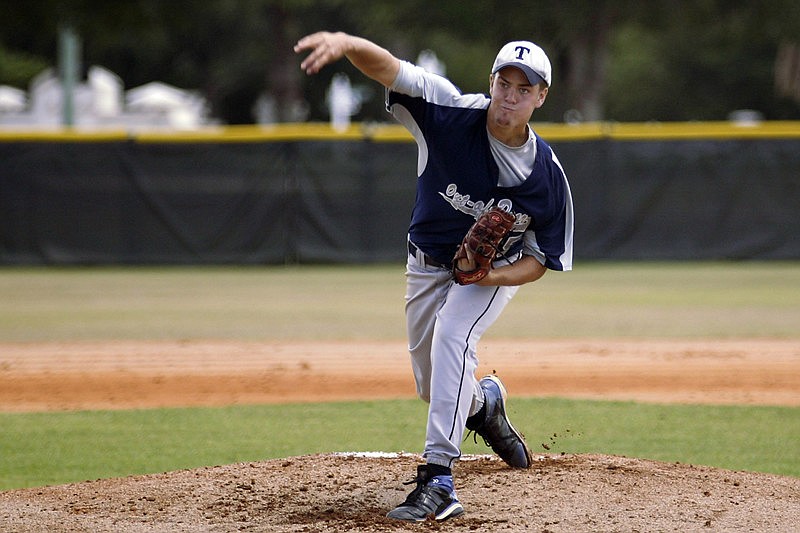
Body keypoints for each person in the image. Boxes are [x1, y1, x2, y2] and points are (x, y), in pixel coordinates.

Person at [295, 31, 574, 522]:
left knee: (453, 335)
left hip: (486, 280)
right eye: (504, 84)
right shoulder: (450, 112)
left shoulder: (546, 177)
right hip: (425, 264)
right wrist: (345, 43)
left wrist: (491, 277)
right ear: (491, 83)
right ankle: (483, 405)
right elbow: (391, 69)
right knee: (434, 385)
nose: (510, 97)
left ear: (541, 97)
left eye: (524, 89)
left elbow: (540, 260)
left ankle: (439, 479)